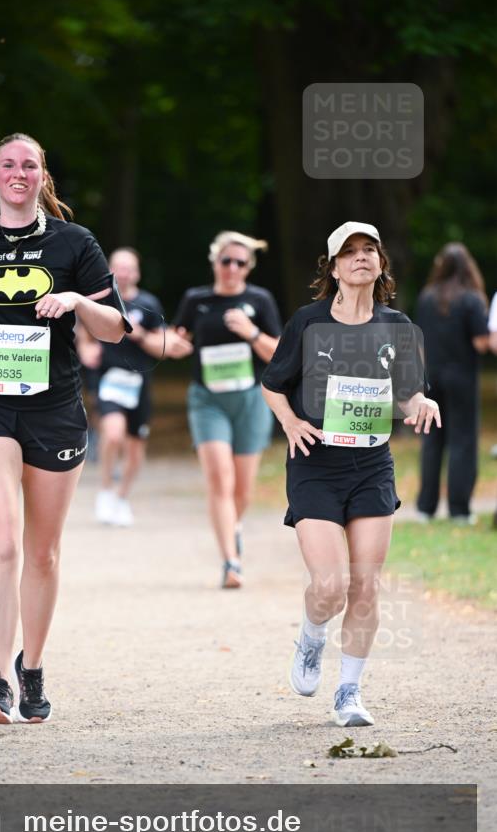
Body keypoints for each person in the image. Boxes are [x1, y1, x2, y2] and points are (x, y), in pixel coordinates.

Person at [0, 132, 129, 725]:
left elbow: (115, 326)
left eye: (29, 165)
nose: (18, 173)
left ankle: (30, 668)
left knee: (42, 552)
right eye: (8, 165)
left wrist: (74, 302)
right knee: (4, 540)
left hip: (54, 408)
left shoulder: (74, 242)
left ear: (42, 176)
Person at [261, 221, 440, 727]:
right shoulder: (308, 322)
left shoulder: (398, 326)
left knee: (365, 584)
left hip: (371, 466)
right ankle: (312, 635)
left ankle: (349, 692)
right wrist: (291, 421)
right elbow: (273, 383)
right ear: (334, 267)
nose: (361, 258)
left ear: (379, 264)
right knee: (330, 586)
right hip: (316, 464)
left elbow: (406, 394)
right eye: (350, 252)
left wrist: (420, 400)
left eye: (370, 251)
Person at [172, 231, 282, 587]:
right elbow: (178, 339)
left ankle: (233, 525)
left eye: (240, 262)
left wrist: (250, 333)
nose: (232, 268)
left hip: (250, 398)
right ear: (215, 262)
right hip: (208, 400)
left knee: (242, 490)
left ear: (249, 267)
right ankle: (231, 563)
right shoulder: (196, 299)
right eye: (226, 261)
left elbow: (278, 356)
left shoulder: (260, 300)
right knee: (220, 478)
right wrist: (172, 345)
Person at [76, 247, 169, 526]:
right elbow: (83, 326)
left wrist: (139, 336)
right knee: (112, 434)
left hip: (138, 382)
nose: (124, 273)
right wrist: (85, 348)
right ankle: (105, 490)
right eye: (119, 267)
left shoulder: (149, 303)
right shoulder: (103, 298)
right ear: (110, 270)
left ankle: (121, 498)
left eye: (129, 268)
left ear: (137, 272)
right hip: (108, 379)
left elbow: (161, 346)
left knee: (135, 448)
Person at [415, 243, 489, 523]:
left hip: (431, 378)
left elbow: (419, 341)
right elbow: (481, 343)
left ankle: (425, 507)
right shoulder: (471, 300)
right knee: (462, 441)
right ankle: (459, 509)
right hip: (462, 378)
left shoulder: (426, 297)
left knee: (432, 441)